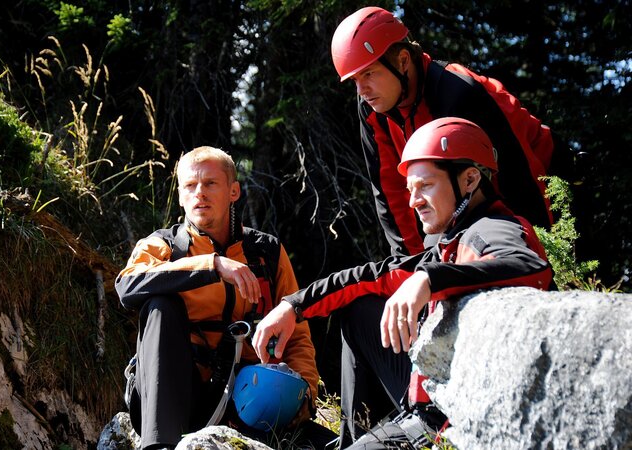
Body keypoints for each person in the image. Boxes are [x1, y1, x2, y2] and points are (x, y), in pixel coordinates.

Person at [252, 118, 555, 448]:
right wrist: (292, 306)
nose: (414, 201)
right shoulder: (451, 242)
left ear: (469, 179)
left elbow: (529, 266)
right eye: (411, 190)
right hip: (436, 400)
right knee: (359, 310)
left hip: (460, 420)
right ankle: (354, 438)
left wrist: (428, 279)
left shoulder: (492, 228)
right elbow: (372, 276)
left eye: (425, 186)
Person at [115, 146, 330, 449]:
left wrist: (305, 396)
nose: (199, 193)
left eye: (210, 183)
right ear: (180, 196)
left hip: (250, 399)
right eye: (190, 186)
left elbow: (296, 334)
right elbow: (126, 285)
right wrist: (212, 265)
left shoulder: (266, 252)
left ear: (233, 191)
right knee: (160, 306)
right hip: (176, 399)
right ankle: (160, 445)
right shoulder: (166, 245)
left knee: (336, 443)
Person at [331, 6, 564, 257]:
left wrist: (543, 253)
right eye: (354, 80)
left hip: (550, 177)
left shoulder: (457, 92)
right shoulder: (372, 107)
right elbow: (390, 191)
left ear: (403, 61)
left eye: (368, 73)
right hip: (469, 194)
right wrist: (408, 264)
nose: (361, 90)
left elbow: (519, 176)